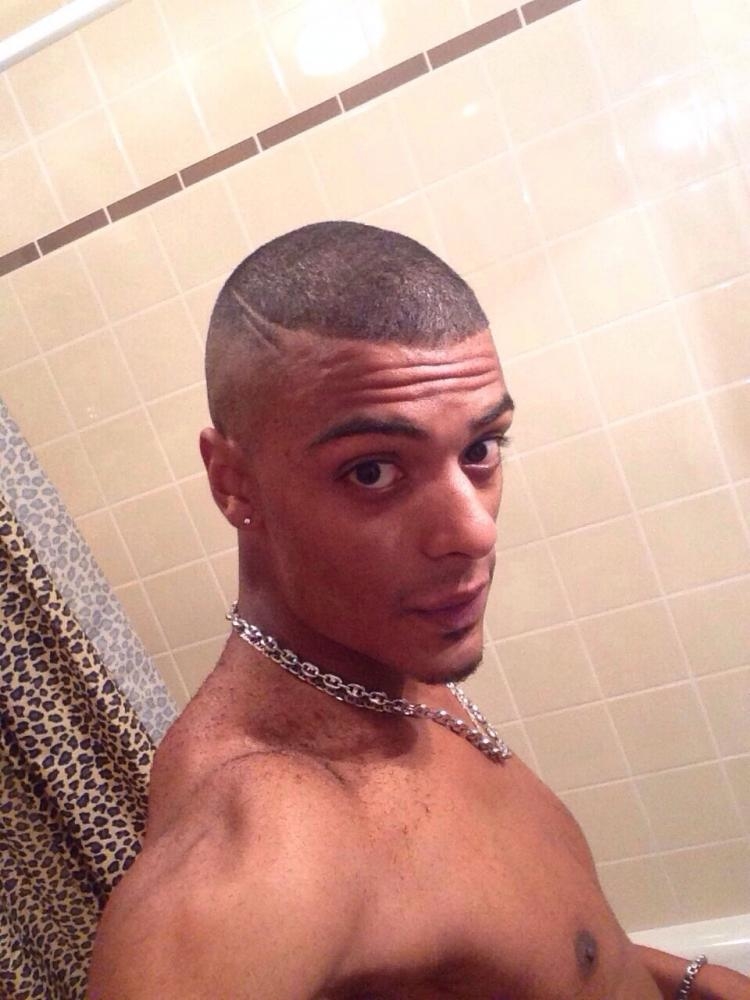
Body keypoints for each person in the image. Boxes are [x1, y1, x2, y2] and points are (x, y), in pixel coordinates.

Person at [87, 222, 750, 999]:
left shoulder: (390, 669)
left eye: (481, 449)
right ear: (233, 482)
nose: (473, 531)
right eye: (372, 471)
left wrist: (694, 979)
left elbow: (545, 936)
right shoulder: (263, 837)